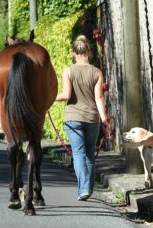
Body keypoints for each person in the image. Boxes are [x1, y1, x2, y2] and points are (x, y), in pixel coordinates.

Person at [55, 35, 110, 201]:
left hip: (73, 118)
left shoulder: (68, 71)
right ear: (89, 51)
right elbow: (99, 98)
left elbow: (66, 95)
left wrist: (49, 97)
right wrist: (105, 120)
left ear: (74, 53)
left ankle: (84, 189)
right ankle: (87, 188)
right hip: (92, 118)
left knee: (78, 154)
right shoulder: (96, 72)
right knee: (89, 154)